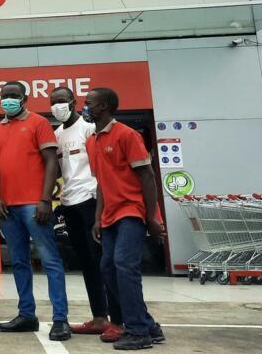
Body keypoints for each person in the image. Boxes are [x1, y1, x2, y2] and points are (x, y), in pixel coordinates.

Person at [0, 81, 70, 340]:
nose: (8, 99)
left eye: (14, 96)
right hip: (7, 208)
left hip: (35, 205)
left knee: (50, 261)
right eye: (5, 95)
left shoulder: (38, 123)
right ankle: (26, 314)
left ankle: (60, 319)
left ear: (24, 99)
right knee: (19, 262)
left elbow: (50, 162)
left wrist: (45, 199)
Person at [85, 88, 165, 350]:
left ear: (104, 106)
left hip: (131, 211)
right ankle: (148, 325)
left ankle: (138, 331)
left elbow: (148, 176)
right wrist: (98, 217)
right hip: (109, 215)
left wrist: (152, 216)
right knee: (108, 268)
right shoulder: (92, 140)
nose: (85, 106)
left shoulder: (126, 135)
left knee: (124, 265)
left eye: (89, 103)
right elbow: (101, 182)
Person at [50, 87, 123, 337]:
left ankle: (121, 320)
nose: (57, 106)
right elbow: (59, 171)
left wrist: (102, 204)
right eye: (53, 102)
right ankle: (100, 317)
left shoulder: (88, 128)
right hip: (69, 203)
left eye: (61, 101)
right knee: (87, 264)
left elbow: (104, 165)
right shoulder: (57, 134)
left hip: (92, 200)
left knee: (104, 262)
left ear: (72, 102)